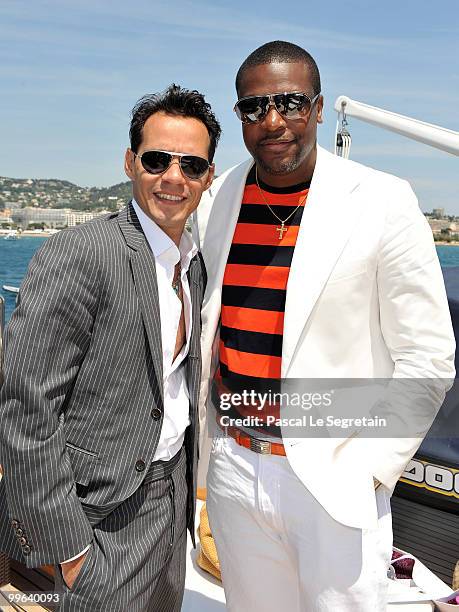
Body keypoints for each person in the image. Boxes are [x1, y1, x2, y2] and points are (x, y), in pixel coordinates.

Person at [194, 41, 455, 611]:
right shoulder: (217, 200)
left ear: (315, 108)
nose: (273, 122)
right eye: (254, 108)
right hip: (236, 469)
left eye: (289, 103)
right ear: (239, 115)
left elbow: (429, 355)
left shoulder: (382, 200)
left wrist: (370, 469)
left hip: (334, 476)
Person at [0, 84, 220, 611]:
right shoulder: (81, 253)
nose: (173, 177)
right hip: (96, 520)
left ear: (208, 176)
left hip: (170, 505)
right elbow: (25, 407)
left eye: (191, 165)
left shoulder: (194, 263)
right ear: (130, 162)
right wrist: (70, 550)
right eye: (157, 159)